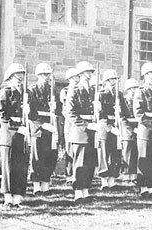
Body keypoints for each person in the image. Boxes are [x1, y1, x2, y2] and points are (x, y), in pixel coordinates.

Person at [0, 63, 30, 207]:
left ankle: (18, 196)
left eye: (22, 76)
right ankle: (8, 197)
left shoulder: (26, 93)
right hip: (9, 135)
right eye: (17, 76)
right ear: (10, 78)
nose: (20, 79)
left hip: (22, 134)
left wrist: (30, 110)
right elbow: (1, 115)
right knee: (9, 167)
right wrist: (16, 128)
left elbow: (32, 114)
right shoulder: (6, 92)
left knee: (21, 166)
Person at [64, 61, 98, 202]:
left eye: (90, 72)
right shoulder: (75, 89)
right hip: (80, 131)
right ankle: (78, 192)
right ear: (80, 74)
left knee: (90, 162)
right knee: (80, 163)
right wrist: (86, 125)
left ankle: (86, 191)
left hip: (92, 130)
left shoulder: (93, 90)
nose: (89, 75)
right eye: (86, 72)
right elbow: (71, 113)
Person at [28, 63, 60, 196]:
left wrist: (55, 106)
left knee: (50, 156)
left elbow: (59, 110)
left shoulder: (53, 90)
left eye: (48, 74)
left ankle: (46, 184)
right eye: (44, 75)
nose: (47, 77)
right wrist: (41, 124)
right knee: (37, 156)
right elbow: (31, 112)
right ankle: (36, 186)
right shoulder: (32, 90)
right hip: (38, 126)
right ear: (39, 75)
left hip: (51, 125)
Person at [133, 62, 152, 198]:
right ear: (145, 75)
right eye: (151, 73)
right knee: (144, 159)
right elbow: (139, 113)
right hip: (146, 129)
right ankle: (143, 187)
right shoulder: (141, 91)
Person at [97, 69, 127, 190]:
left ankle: (112, 180)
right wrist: (109, 128)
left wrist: (121, 112)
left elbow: (125, 112)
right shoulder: (101, 94)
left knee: (115, 153)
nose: (113, 82)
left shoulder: (119, 95)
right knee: (104, 153)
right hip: (105, 126)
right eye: (110, 80)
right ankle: (104, 181)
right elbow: (100, 114)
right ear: (105, 82)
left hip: (116, 125)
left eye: (114, 80)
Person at [60, 68, 80, 182]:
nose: (78, 78)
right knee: (69, 149)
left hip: (78, 123)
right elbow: (65, 110)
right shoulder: (66, 91)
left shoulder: (80, 89)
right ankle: (69, 175)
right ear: (70, 78)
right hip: (69, 123)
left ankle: (77, 174)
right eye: (76, 76)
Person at [120, 78, 140, 183]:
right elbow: (123, 117)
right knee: (127, 153)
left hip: (137, 129)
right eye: (132, 88)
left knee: (135, 152)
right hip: (127, 130)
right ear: (128, 89)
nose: (135, 90)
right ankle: (125, 175)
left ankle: (133, 175)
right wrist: (131, 129)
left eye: (136, 88)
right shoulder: (124, 101)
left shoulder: (137, 100)